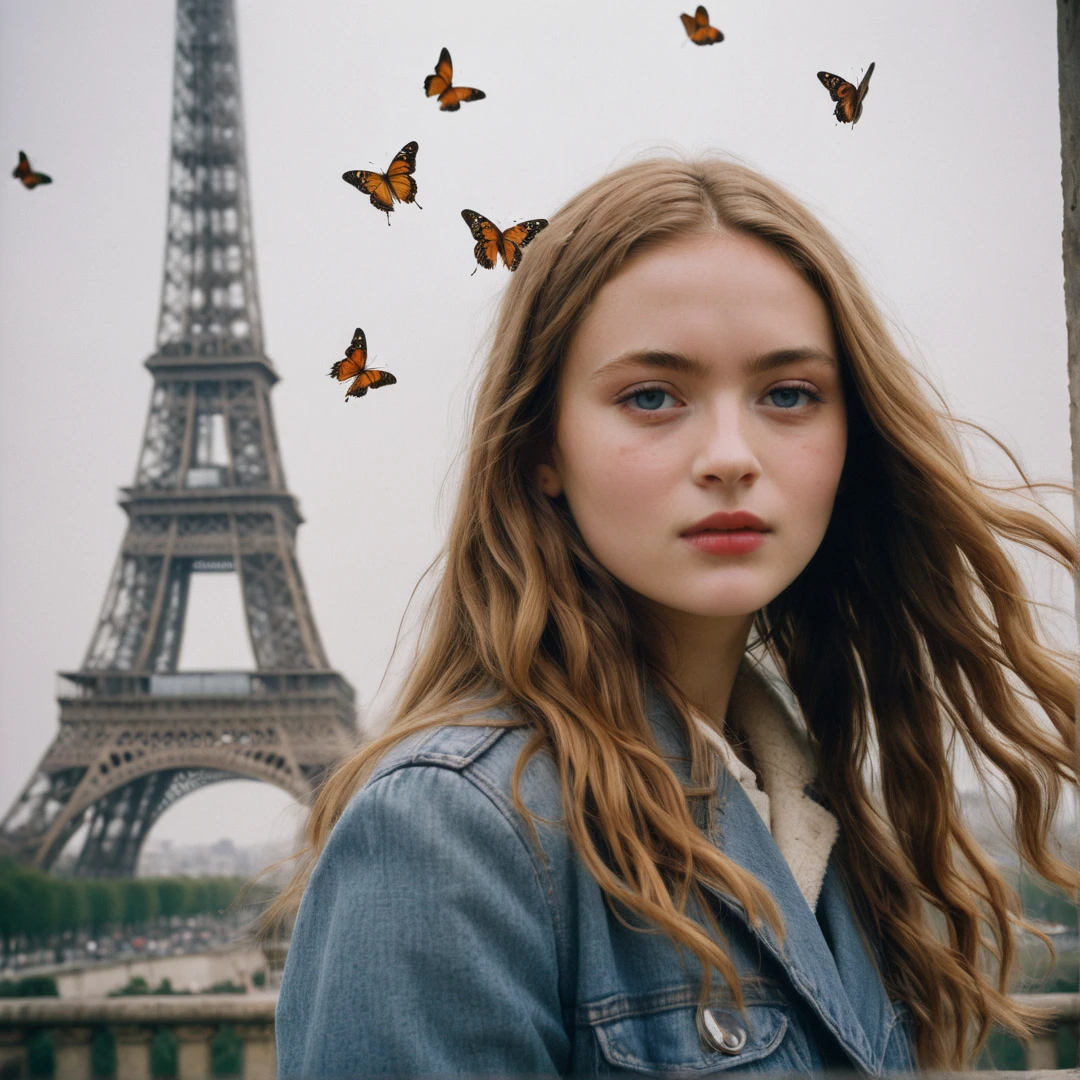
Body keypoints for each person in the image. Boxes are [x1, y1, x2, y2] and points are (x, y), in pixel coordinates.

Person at [271, 157, 1079, 1076]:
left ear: (851, 437)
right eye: (652, 396)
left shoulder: (813, 815)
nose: (730, 455)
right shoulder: (450, 831)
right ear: (541, 447)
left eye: (789, 395)